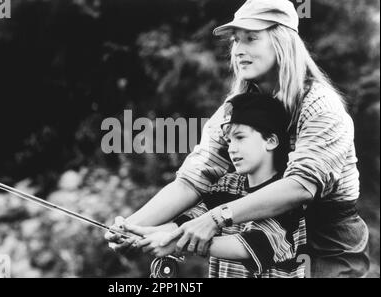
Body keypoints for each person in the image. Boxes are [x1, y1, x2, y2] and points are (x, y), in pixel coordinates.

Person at [105, 0, 369, 278]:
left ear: (283, 43)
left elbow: (301, 186)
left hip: (327, 241)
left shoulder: (321, 106)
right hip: (256, 224)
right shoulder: (235, 109)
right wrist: (129, 227)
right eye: (235, 40)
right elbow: (195, 178)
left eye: (252, 38)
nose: (239, 50)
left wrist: (216, 218)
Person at [129, 93, 307, 278]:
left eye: (240, 137)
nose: (231, 148)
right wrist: (142, 233)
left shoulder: (284, 196)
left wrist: (175, 243)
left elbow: (248, 245)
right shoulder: (227, 185)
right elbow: (190, 222)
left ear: (271, 141)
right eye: (229, 140)